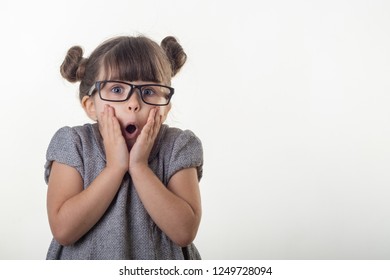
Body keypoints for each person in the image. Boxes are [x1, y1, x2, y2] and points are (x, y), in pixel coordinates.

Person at [44, 35, 203, 260]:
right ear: (91, 106)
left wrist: (139, 166)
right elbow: (63, 230)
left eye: (148, 91)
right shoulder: (73, 143)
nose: (134, 103)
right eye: (117, 90)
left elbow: (184, 231)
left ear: (165, 107)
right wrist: (115, 168)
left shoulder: (177, 146)